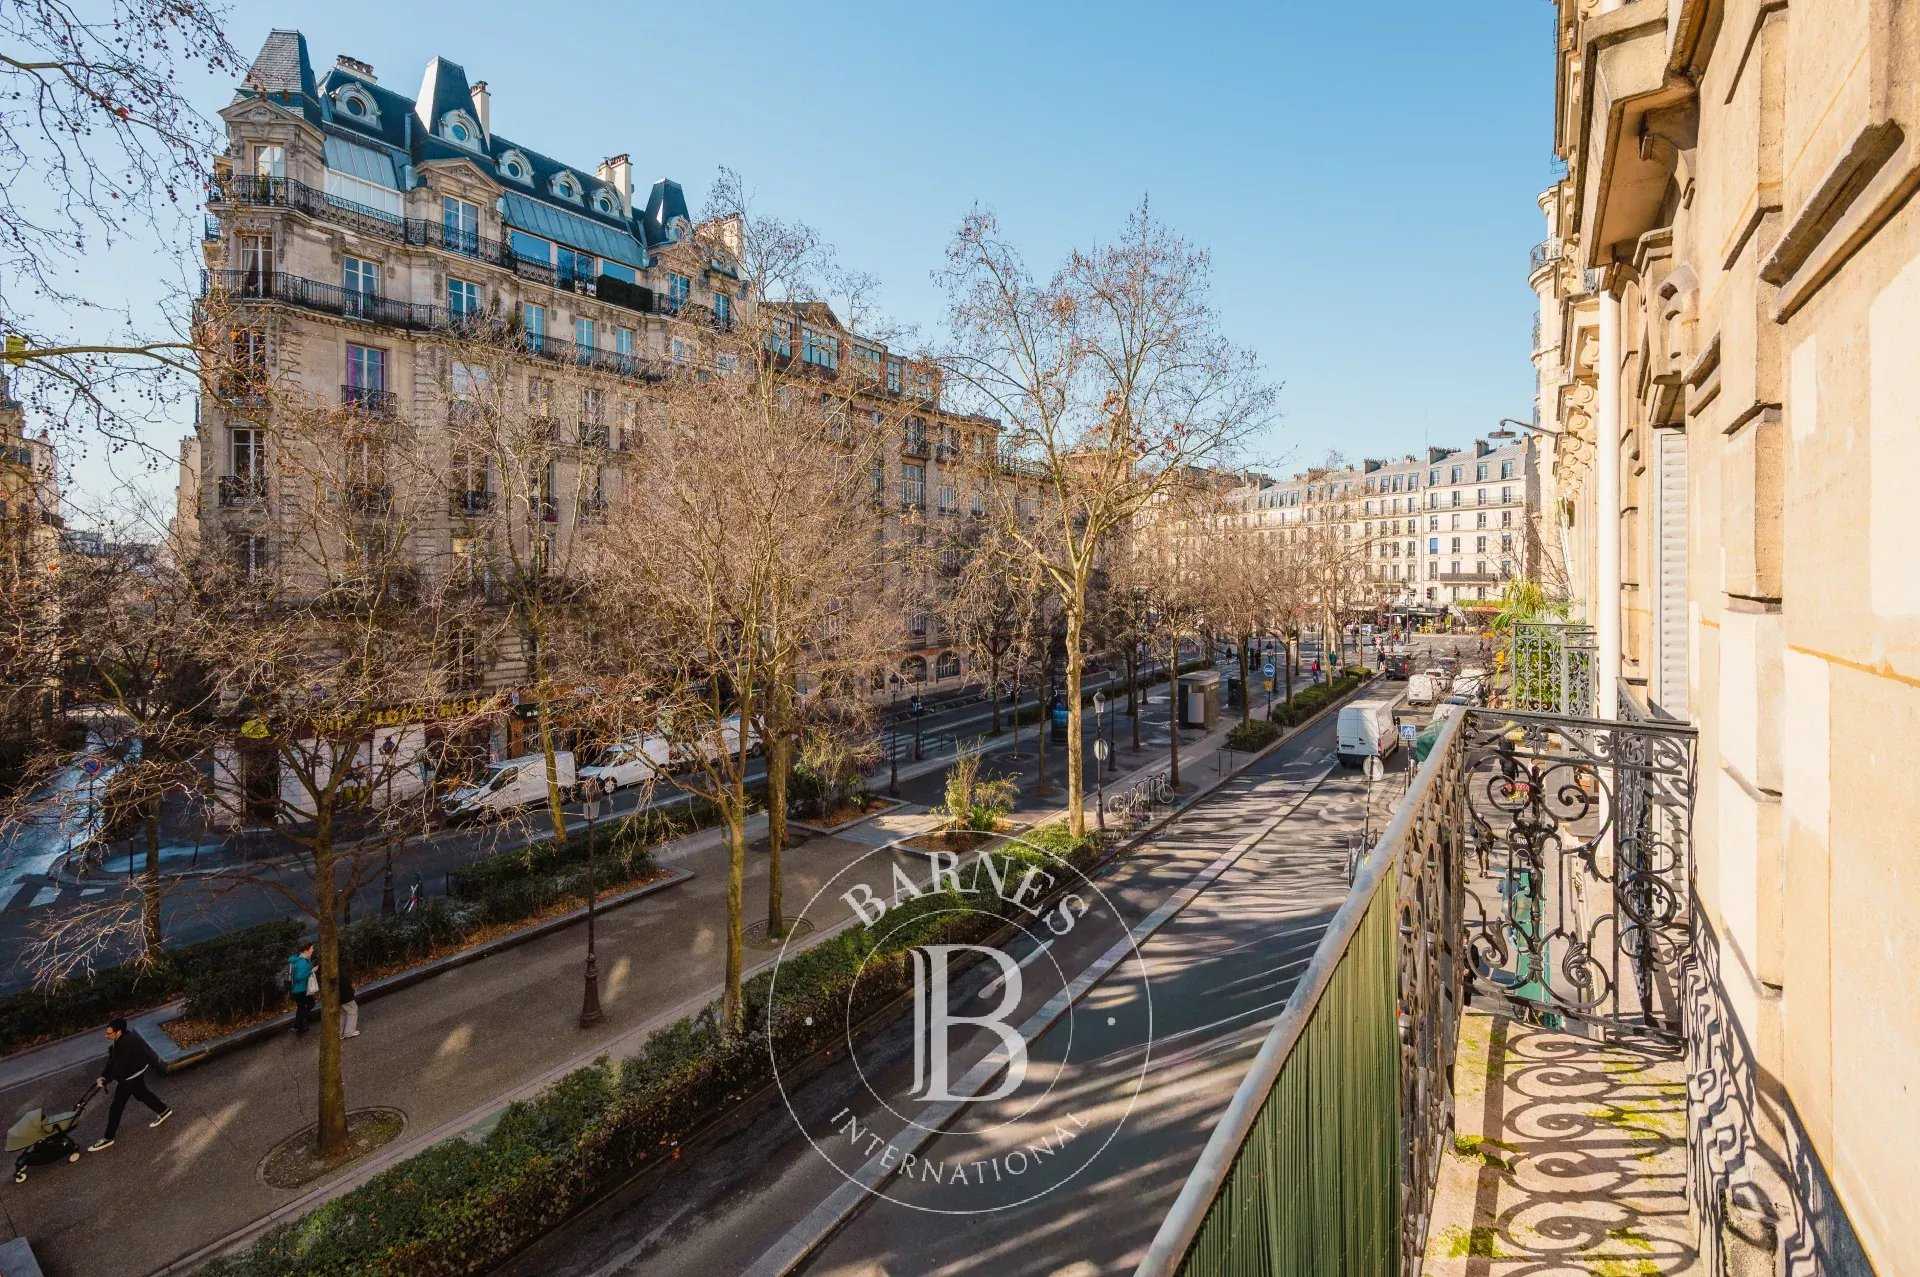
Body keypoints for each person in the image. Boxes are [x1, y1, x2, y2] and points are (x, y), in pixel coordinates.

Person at [86, 1018, 171, 1152]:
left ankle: (108, 1138)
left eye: (109, 1033)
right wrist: (104, 1075)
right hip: (134, 1072)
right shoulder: (122, 1038)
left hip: (130, 1076)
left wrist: (106, 1079)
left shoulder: (126, 1044)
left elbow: (119, 1067)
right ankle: (163, 1110)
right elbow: (112, 1060)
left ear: (118, 1032)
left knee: (116, 1107)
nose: (106, 1035)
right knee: (142, 1093)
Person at [289, 941, 316, 1035]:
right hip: (301, 990)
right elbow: (299, 977)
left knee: (301, 1007)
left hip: (296, 990)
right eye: (312, 948)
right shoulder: (302, 962)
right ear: (306, 950)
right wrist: (311, 971)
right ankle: (299, 1024)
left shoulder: (298, 959)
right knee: (310, 1004)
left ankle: (299, 1026)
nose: (313, 950)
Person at [338, 962, 360, 1040]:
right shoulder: (342, 971)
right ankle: (349, 1031)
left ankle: (339, 1033)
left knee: (342, 1013)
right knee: (352, 1010)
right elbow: (345, 982)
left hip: (338, 996)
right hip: (345, 995)